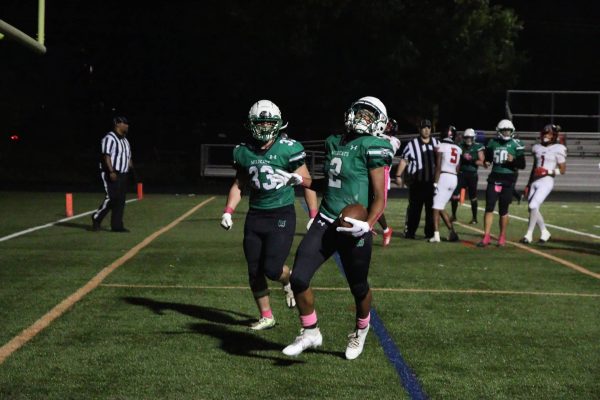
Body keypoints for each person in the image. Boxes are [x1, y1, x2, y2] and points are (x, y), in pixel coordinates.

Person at [274, 96, 393, 360]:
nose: (363, 119)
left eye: (369, 116)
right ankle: (310, 331)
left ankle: (361, 330)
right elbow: (329, 183)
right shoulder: (334, 142)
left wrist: (368, 224)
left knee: (358, 287)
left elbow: (380, 197)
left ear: (379, 123)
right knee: (298, 277)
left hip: (354, 223)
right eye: (361, 113)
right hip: (326, 218)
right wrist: (301, 180)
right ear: (350, 113)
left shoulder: (375, 147)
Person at [219, 99, 318, 331]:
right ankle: (266, 316)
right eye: (260, 122)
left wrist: (313, 214)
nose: (264, 127)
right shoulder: (243, 151)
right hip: (255, 215)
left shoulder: (289, 148)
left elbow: (309, 182)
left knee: (272, 269)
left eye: (268, 122)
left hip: (281, 213)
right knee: (254, 269)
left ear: (278, 123)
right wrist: (228, 211)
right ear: (251, 124)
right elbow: (239, 184)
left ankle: (289, 280)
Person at [477, 119, 525, 247]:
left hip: (508, 180)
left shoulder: (516, 144)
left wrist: (513, 160)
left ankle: (502, 236)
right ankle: (486, 236)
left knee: (503, 210)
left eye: (508, 130)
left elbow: (522, 164)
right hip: (494, 178)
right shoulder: (492, 142)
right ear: (499, 131)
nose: (506, 133)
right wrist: (487, 162)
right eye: (504, 130)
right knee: (489, 207)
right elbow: (488, 158)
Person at [520, 124, 567, 243]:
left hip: (547, 180)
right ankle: (544, 232)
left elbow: (562, 170)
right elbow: (534, 168)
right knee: (532, 209)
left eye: (549, 134)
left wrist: (547, 171)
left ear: (554, 136)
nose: (546, 136)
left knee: (533, 206)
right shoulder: (536, 147)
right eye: (545, 133)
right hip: (535, 180)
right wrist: (528, 184)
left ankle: (528, 235)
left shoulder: (559, 148)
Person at [395, 119, 439, 239]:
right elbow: (404, 160)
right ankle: (410, 232)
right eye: (424, 127)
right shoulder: (412, 144)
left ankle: (429, 233)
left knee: (430, 210)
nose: (426, 130)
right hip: (417, 183)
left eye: (428, 127)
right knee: (415, 209)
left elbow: (440, 162)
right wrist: (398, 175)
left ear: (431, 129)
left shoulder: (436, 143)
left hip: (431, 182)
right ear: (419, 129)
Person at [92, 116, 133, 232]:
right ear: (117, 124)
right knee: (112, 197)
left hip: (123, 173)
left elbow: (128, 156)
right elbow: (106, 156)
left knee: (120, 200)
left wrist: (131, 169)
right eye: (124, 123)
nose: (127, 125)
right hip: (112, 172)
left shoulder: (125, 140)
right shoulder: (109, 138)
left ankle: (117, 226)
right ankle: (96, 218)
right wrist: (111, 171)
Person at [430, 126, 462, 243]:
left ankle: (436, 235)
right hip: (454, 177)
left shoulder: (440, 146)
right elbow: (458, 168)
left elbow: (438, 166)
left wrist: (435, 183)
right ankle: (452, 231)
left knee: (435, 206)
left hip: (444, 176)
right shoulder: (458, 149)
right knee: (440, 205)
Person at [450, 128, 485, 224]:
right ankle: (453, 216)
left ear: (474, 138)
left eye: (470, 137)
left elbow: (483, 162)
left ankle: (474, 218)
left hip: (472, 175)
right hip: (461, 174)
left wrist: (472, 159)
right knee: (455, 195)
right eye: (466, 138)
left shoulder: (478, 147)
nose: (468, 139)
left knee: (473, 196)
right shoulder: (460, 146)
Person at [375, 118, 401, 246]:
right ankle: (370, 227)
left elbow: (385, 147)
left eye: (388, 126)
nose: (386, 127)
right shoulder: (378, 136)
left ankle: (386, 230)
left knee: (376, 205)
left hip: (382, 176)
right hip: (370, 173)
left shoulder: (394, 141)